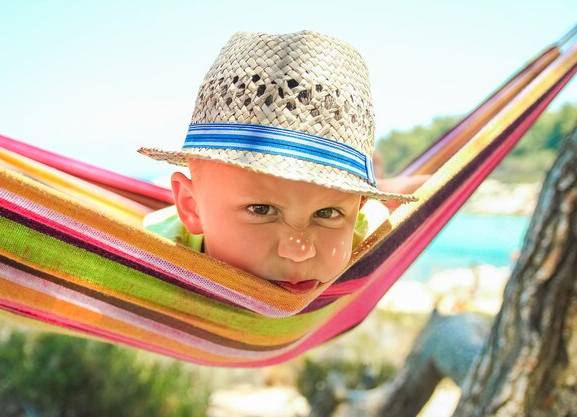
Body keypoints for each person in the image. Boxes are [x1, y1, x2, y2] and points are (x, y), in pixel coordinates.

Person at [138, 31, 425, 294]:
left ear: (358, 206)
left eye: (327, 214)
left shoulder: (367, 228)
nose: (299, 251)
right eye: (261, 209)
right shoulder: (155, 252)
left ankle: (379, 184)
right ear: (191, 207)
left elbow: (426, 195)